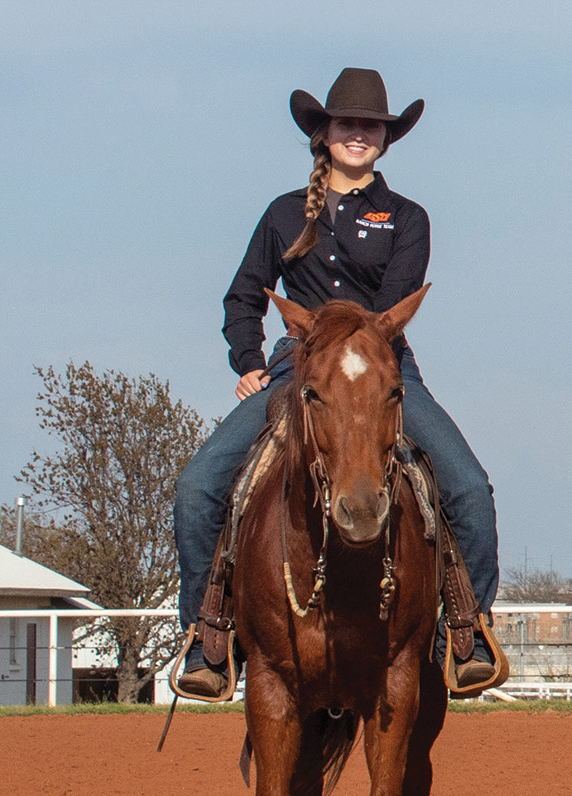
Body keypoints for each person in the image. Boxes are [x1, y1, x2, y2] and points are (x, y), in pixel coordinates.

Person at [172, 68, 501, 699]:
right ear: (323, 133)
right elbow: (244, 296)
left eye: (371, 125)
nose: (359, 134)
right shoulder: (283, 213)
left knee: (467, 485)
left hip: (383, 370)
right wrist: (248, 361)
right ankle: (207, 635)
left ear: (385, 138)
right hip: (299, 372)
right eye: (348, 123)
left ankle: (466, 629)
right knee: (197, 487)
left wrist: (360, 350)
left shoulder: (408, 217)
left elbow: (392, 303)